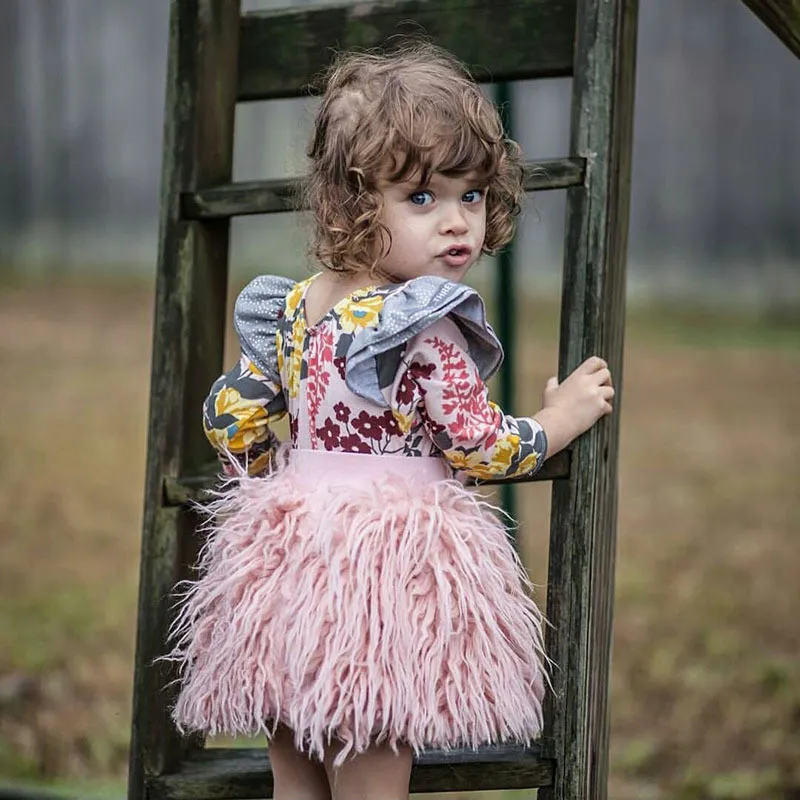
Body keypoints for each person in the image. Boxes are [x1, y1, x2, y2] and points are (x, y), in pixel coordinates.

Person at [166, 43, 614, 800]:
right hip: (377, 585)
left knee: (297, 779)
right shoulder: (419, 324)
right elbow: (477, 445)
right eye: (422, 199)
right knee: (373, 761)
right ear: (350, 202)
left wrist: (281, 479)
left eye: (470, 196)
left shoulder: (295, 307)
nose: (455, 225)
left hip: (284, 576)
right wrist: (557, 418)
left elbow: (232, 416)